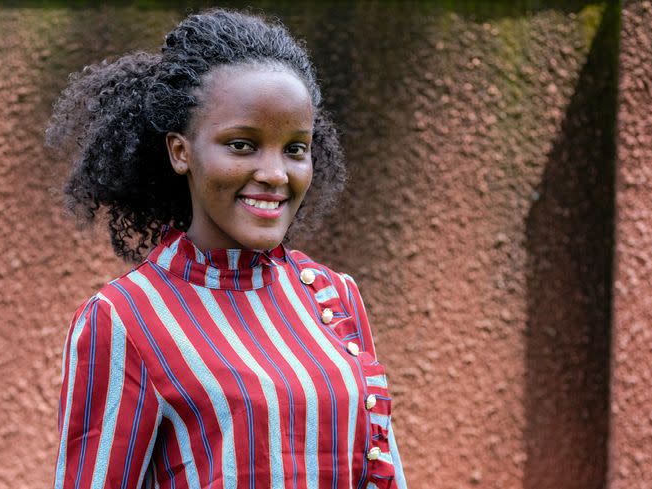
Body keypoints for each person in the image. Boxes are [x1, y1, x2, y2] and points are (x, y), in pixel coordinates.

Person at [46, 9, 407, 489]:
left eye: (296, 148)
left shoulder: (334, 298)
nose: (276, 174)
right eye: (242, 145)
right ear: (181, 152)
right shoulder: (124, 320)